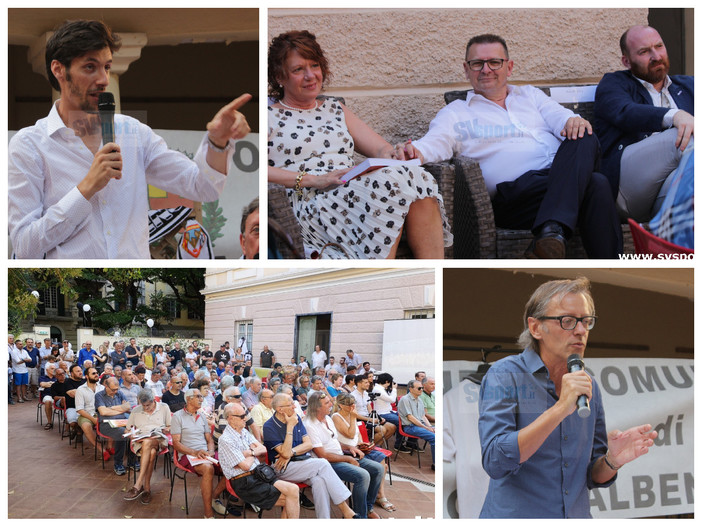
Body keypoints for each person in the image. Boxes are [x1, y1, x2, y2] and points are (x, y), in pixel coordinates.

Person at [8, 19, 252, 259]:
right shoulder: (29, 145)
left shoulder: (133, 133)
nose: (103, 79)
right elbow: (24, 245)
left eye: (106, 67)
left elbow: (202, 187)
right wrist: (86, 188)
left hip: (133, 283)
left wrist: (218, 142)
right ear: (58, 69)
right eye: (90, 67)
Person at [397, 33, 622, 259]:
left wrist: (573, 121)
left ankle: (552, 233)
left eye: (494, 62)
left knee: (584, 135)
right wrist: (413, 152)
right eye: (477, 63)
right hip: (517, 197)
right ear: (466, 69)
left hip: (559, 180)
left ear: (509, 67)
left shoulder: (531, 96)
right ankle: (583, 249)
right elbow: (434, 143)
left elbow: (561, 118)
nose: (486, 69)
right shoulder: (456, 113)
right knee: (597, 184)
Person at [478, 277, 657, 518]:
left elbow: (592, 476)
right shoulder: (504, 375)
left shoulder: (588, 383)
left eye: (586, 321)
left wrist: (613, 461)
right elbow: (495, 461)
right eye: (568, 321)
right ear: (535, 327)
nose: (581, 331)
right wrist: (561, 408)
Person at [268, 30, 452, 259]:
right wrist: (314, 180)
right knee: (390, 183)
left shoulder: (335, 109)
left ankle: (431, 270)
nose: (310, 76)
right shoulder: (269, 115)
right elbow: (258, 173)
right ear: (279, 77)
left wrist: (398, 153)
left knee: (416, 175)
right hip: (308, 204)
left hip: (350, 193)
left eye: (314, 66)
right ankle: (382, 275)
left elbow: (380, 150)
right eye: (298, 70)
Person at [594, 25, 694, 223]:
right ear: (626, 61)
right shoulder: (614, 84)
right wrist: (675, 116)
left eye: (659, 46)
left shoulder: (688, 85)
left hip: (666, 194)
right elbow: (626, 113)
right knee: (684, 135)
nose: (656, 56)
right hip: (628, 190)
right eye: (644, 51)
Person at [262, 393, 357, 519]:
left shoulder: (296, 418)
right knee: (322, 463)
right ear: (280, 409)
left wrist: (290, 453)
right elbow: (284, 452)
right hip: (282, 468)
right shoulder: (269, 426)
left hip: (302, 462)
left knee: (320, 481)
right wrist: (290, 426)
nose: (294, 407)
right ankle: (347, 511)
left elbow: (308, 444)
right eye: (290, 405)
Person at [305, 392, 383, 518]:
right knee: (363, 476)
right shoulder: (310, 425)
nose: (331, 404)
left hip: (341, 456)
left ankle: (368, 508)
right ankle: (359, 515)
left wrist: (349, 447)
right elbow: (322, 455)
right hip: (328, 463)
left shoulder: (328, 419)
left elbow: (334, 441)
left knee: (378, 469)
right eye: (327, 403)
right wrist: (347, 458)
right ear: (317, 407)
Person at [218, 402, 300, 518]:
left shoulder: (244, 431)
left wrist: (246, 453)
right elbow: (245, 466)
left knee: (293, 489)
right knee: (290, 498)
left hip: (259, 474)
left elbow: (263, 449)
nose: (245, 418)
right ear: (230, 419)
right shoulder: (226, 439)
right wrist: (252, 452)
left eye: (245, 414)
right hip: (245, 481)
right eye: (242, 416)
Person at [332, 392, 396, 512]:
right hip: (347, 450)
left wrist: (362, 443)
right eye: (349, 405)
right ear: (340, 405)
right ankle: (378, 497)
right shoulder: (336, 416)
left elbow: (357, 434)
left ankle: (376, 498)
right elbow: (350, 434)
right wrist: (353, 416)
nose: (352, 407)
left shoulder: (351, 414)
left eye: (353, 404)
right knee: (379, 468)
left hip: (358, 447)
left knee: (383, 462)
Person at [171, 389, 229, 518]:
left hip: (205, 453)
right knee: (208, 468)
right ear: (189, 399)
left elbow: (209, 440)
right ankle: (208, 514)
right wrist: (195, 452)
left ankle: (214, 497)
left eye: (202, 397)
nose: (202, 399)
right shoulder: (177, 416)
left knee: (234, 464)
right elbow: (176, 444)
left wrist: (211, 451)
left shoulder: (202, 415)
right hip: (187, 454)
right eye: (198, 397)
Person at [123, 389, 172, 504]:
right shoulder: (135, 410)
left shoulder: (164, 407)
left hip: (158, 440)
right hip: (140, 441)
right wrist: (131, 434)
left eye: (148, 405)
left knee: (148, 442)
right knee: (151, 451)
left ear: (154, 400)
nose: (145, 408)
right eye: (143, 405)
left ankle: (138, 484)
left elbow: (170, 426)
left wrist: (166, 429)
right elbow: (127, 428)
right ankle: (146, 488)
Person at [95, 376, 132, 475]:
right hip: (106, 424)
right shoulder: (99, 396)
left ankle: (132, 461)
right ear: (106, 386)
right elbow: (102, 412)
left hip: (122, 421)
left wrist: (110, 408)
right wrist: (120, 409)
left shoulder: (119, 393)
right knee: (123, 434)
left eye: (117, 389)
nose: (115, 391)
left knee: (134, 432)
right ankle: (118, 464)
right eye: (113, 389)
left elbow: (127, 406)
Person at [397, 379, 435, 469]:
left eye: (422, 388)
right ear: (411, 389)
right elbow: (410, 418)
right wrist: (426, 428)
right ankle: (435, 464)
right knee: (434, 438)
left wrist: (430, 427)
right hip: (410, 426)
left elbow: (423, 417)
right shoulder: (405, 399)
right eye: (419, 388)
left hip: (420, 425)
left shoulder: (419, 400)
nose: (421, 390)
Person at [351, 373, 395, 446]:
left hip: (368, 417)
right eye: (366, 382)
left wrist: (378, 418)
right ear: (359, 383)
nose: (368, 384)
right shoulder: (353, 396)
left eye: (368, 382)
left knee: (392, 427)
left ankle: (376, 446)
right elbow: (354, 415)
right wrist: (371, 420)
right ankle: (369, 446)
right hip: (359, 420)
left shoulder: (366, 394)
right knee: (382, 430)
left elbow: (370, 409)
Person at [75, 367, 107, 459]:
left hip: (101, 412)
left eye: (97, 373)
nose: (96, 374)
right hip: (86, 414)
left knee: (112, 422)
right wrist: (93, 419)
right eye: (93, 373)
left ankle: (110, 446)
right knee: (86, 426)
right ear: (86, 376)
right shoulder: (80, 389)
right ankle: (101, 449)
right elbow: (80, 409)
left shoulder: (102, 388)